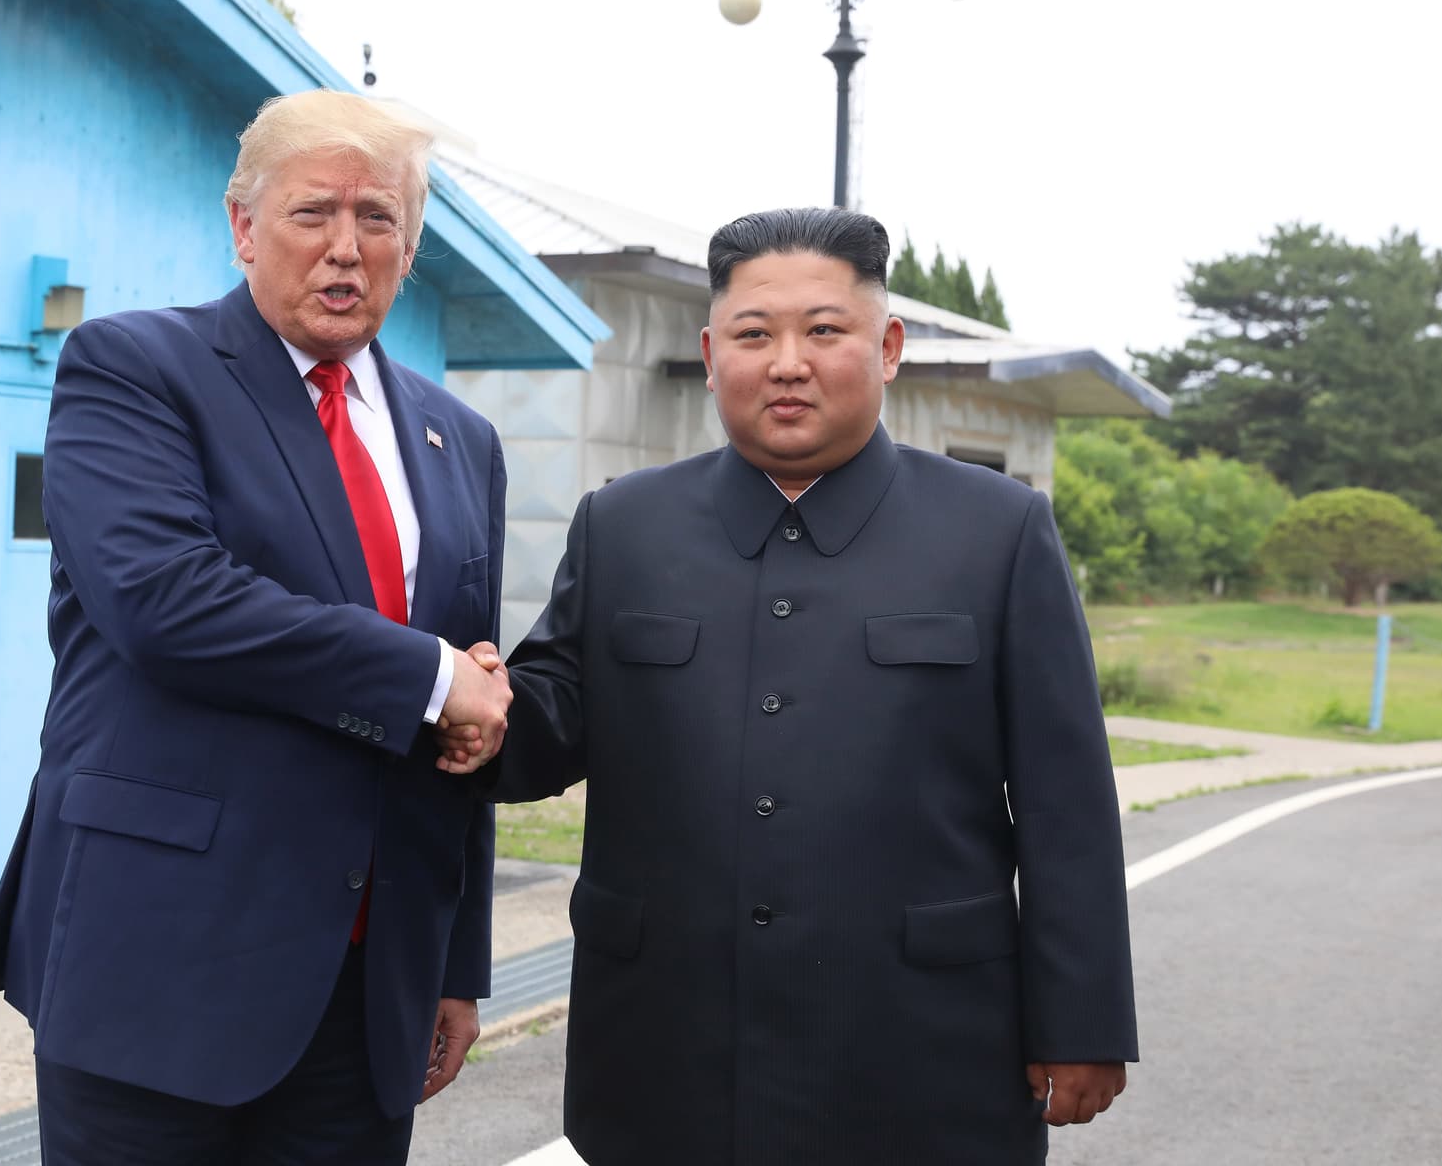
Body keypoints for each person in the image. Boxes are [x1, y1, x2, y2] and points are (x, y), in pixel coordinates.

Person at [479, 207, 1137, 1163]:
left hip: (921, 1050)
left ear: (889, 345)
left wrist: (1084, 1021)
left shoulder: (996, 532)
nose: (788, 362)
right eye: (754, 334)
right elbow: (552, 720)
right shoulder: (624, 526)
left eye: (825, 330)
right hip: (668, 1048)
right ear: (711, 355)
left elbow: (1066, 800)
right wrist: (473, 708)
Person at [0, 89, 512, 1164]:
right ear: (244, 225)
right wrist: (434, 675)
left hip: (368, 983)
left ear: (411, 243)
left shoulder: (463, 438)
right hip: (159, 957)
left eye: (380, 218)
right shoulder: (135, 369)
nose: (347, 248)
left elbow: (464, 719)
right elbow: (168, 601)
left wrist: (457, 960)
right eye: (315, 213)